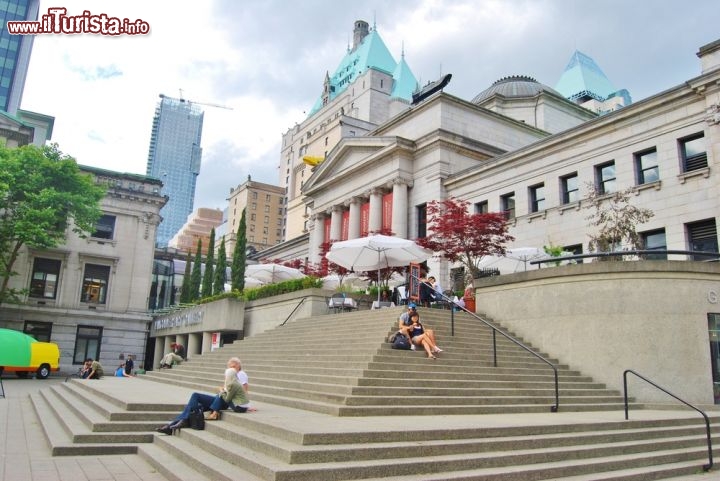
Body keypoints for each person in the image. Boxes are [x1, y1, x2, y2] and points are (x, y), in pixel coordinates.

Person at [156, 357, 255, 435]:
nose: (230, 368)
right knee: (194, 401)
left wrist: (247, 405)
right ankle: (172, 425)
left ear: (238, 365)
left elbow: (244, 390)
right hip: (220, 397)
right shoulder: (231, 373)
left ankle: (176, 424)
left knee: (194, 404)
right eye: (229, 366)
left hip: (224, 400)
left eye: (232, 366)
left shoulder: (241, 374)